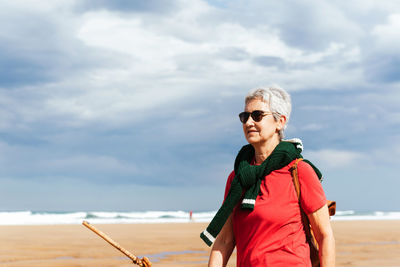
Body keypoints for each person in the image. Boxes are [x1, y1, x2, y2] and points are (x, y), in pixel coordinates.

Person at [203, 86, 335, 266]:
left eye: (257, 115)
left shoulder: (300, 171)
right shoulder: (237, 178)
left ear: (280, 121)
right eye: (244, 116)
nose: (249, 122)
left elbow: (324, 235)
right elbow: (225, 241)